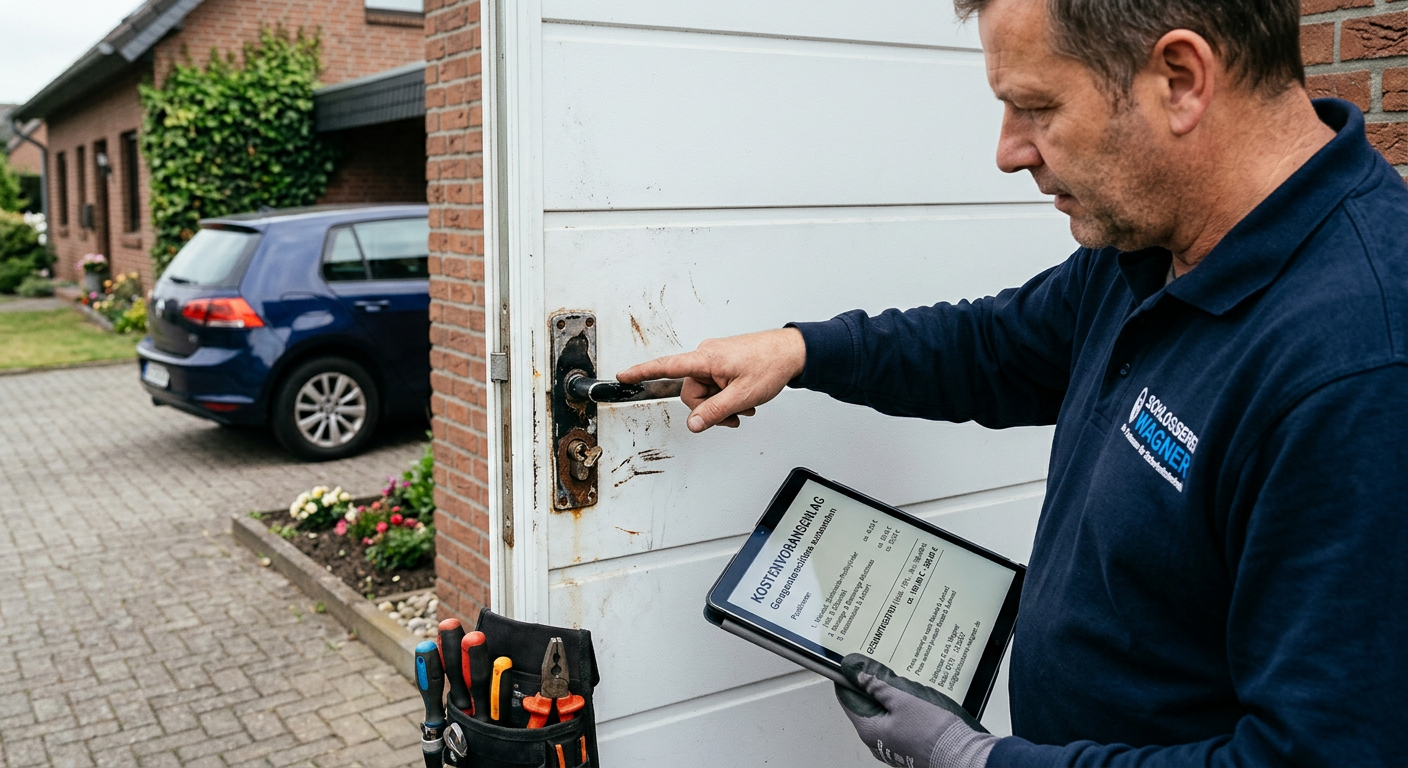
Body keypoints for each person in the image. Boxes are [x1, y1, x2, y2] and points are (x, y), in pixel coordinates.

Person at [618, 0, 1408, 765]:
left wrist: (979, 762)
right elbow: (997, 346)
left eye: (1035, 105)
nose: (1009, 151)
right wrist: (802, 351)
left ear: (1179, 79)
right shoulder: (1153, 245)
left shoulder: (1357, 369)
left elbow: (1318, 752)